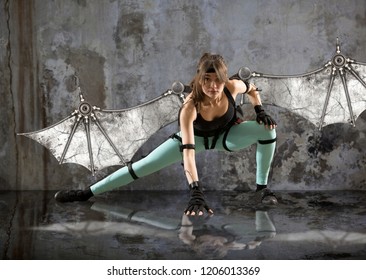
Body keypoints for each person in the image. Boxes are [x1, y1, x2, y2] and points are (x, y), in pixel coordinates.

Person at [55, 53, 278, 215]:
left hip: (228, 136)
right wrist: (196, 192)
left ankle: (261, 189)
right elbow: (188, 154)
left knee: (267, 129)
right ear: (199, 80)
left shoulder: (232, 87)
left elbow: (251, 88)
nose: (213, 85)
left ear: (224, 78)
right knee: (139, 168)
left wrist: (260, 110)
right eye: (206, 80)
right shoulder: (190, 107)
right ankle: (85, 193)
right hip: (193, 140)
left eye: (218, 79)